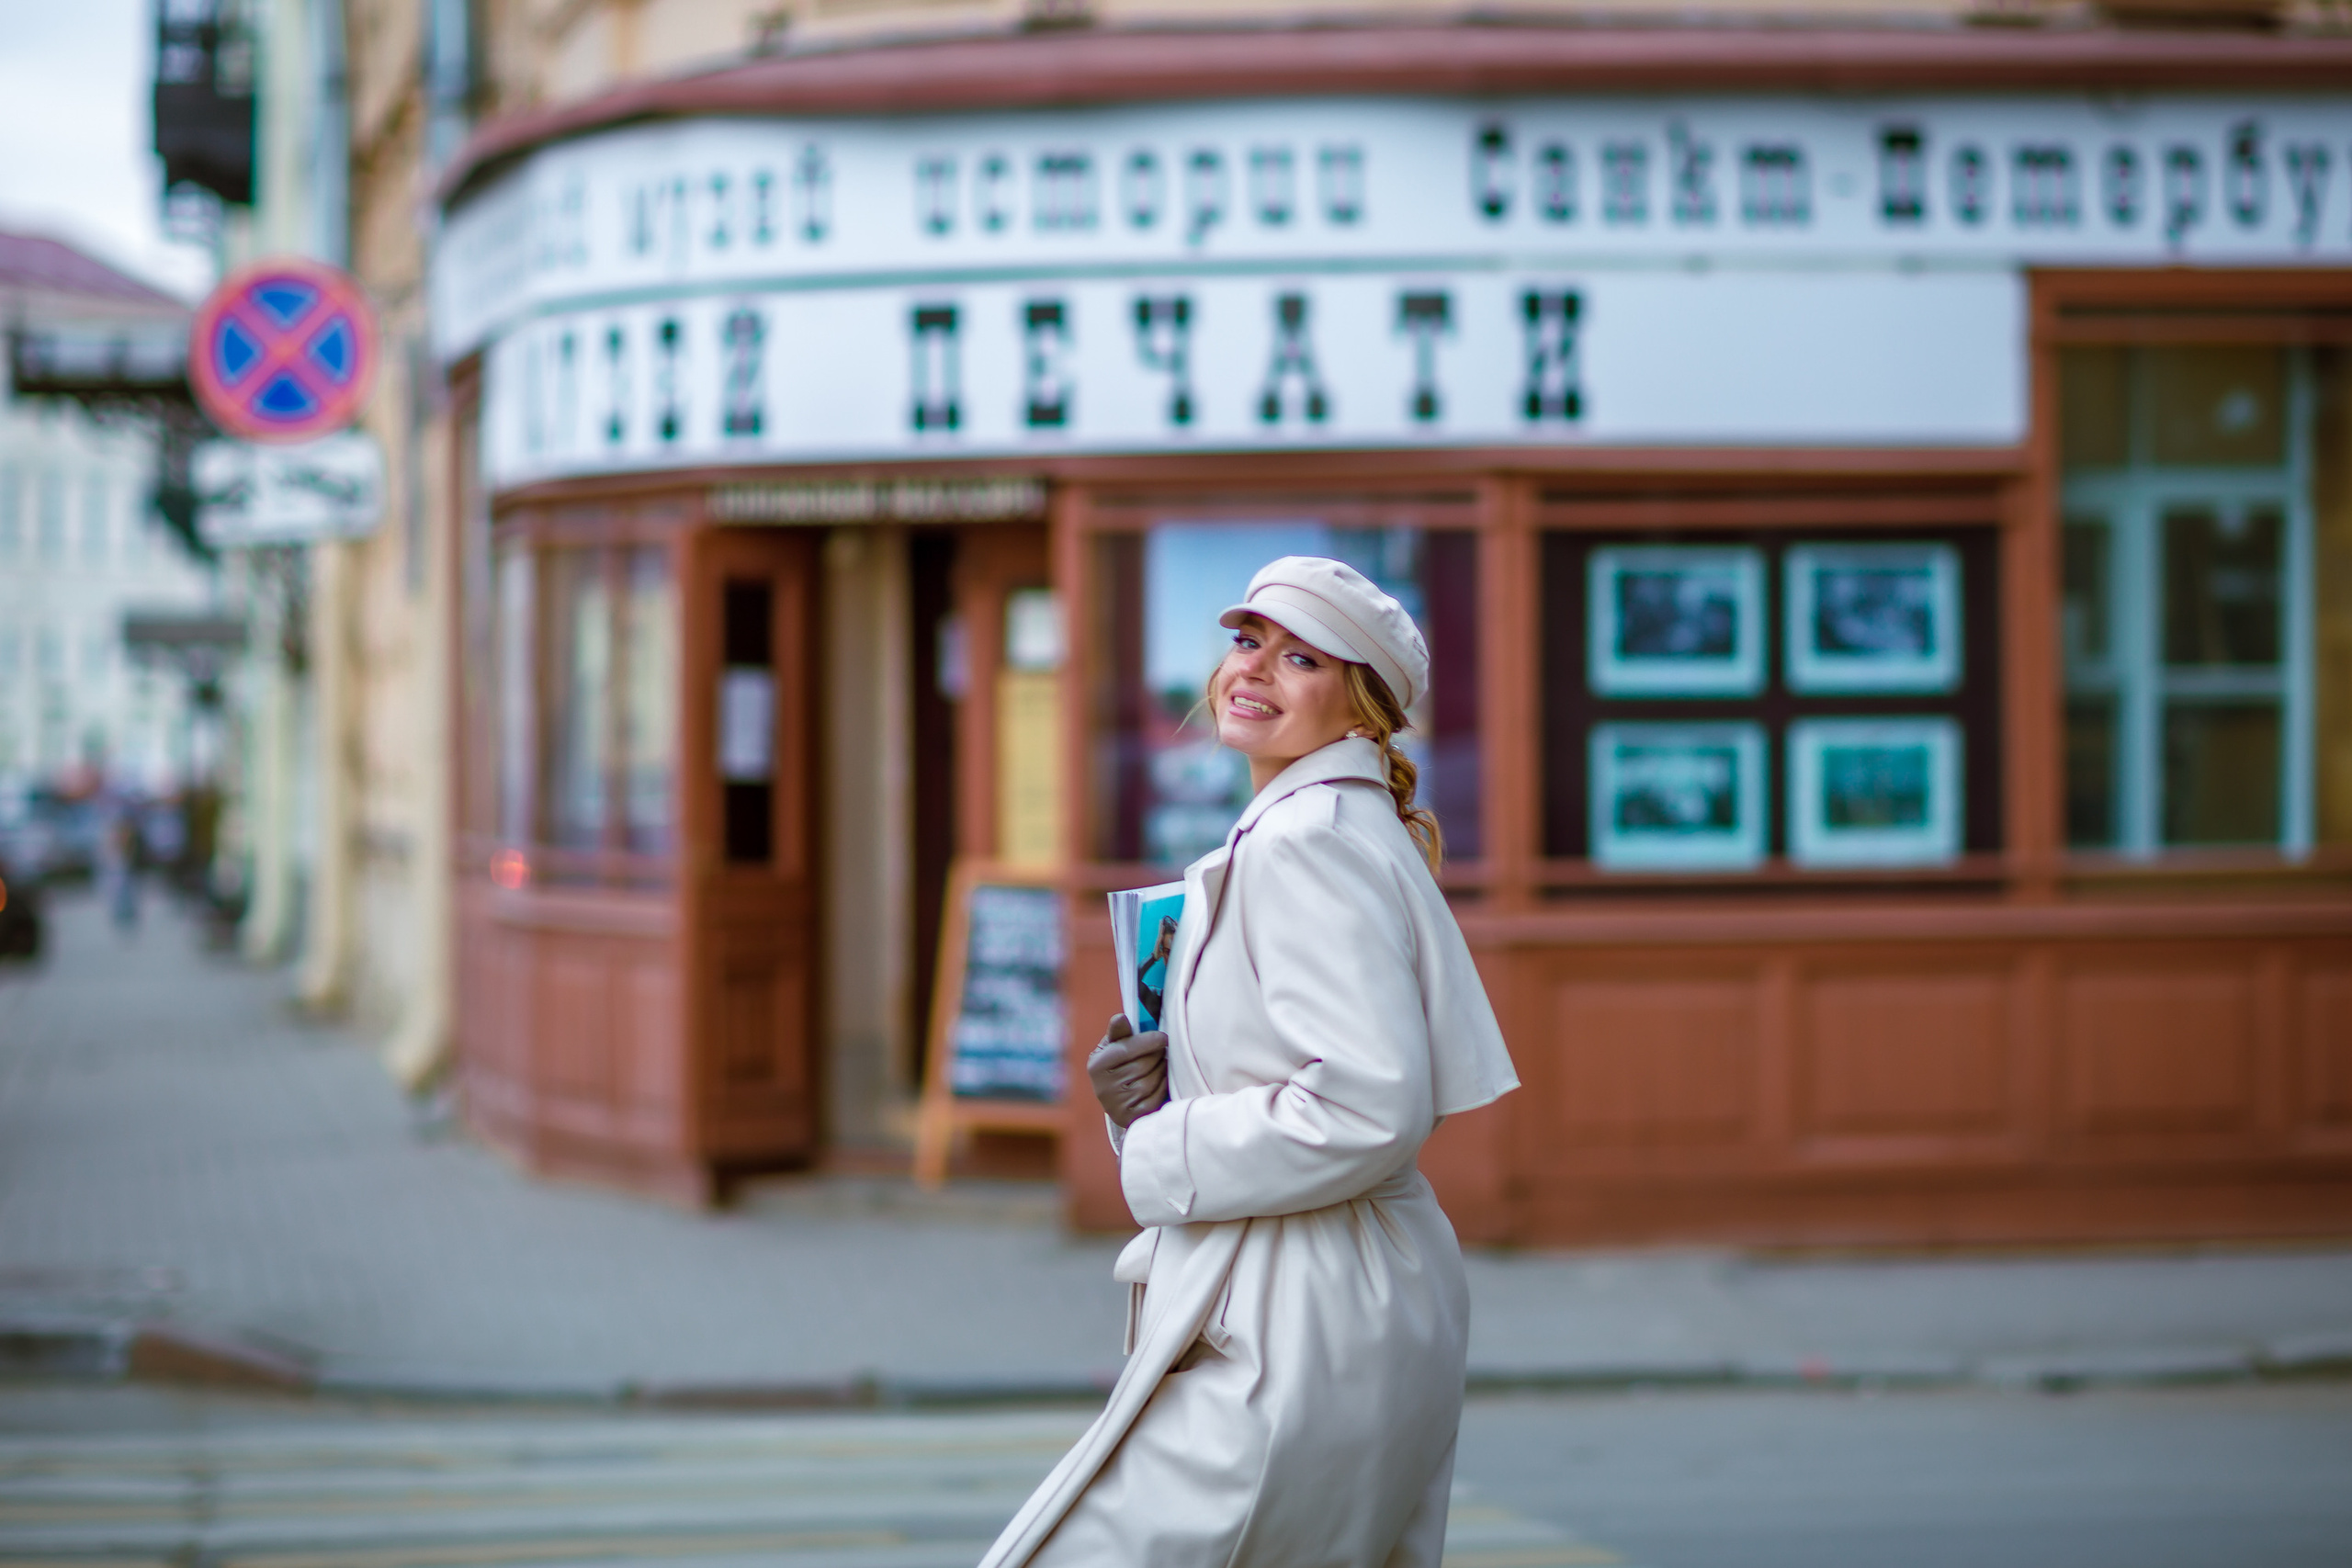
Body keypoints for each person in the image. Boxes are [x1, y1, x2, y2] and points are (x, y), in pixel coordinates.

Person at [980, 557, 1518, 1568]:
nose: (1255, 669)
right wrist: (1149, 1096)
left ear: (1362, 706)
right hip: (1334, 1289)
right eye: (1247, 640)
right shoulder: (1327, 825)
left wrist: (1160, 1136)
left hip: (1297, 1303)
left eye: (1302, 658)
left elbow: (1365, 1101)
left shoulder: (1303, 842)